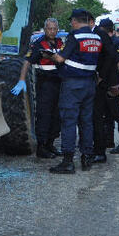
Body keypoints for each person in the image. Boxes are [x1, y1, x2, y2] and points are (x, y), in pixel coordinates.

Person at [43, 9, 102, 174]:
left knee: (69, 121)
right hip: (90, 84)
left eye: (71, 21)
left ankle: (68, 161)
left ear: (75, 21)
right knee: (86, 121)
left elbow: (60, 58)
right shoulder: (96, 38)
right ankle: (86, 158)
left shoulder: (74, 36)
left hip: (73, 85)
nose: (71, 24)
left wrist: (49, 56)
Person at [18, 17, 63, 158]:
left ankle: (50, 144)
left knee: (56, 116)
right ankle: (41, 148)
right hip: (45, 84)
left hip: (59, 83)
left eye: (54, 29)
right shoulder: (39, 44)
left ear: (57, 30)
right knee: (44, 115)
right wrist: (22, 79)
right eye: (49, 28)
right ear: (45, 29)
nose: (52, 31)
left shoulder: (60, 42)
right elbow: (27, 61)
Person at [99, 19, 119, 155]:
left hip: (114, 84)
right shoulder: (105, 42)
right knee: (107, 115)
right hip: (105, 83)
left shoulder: (117, 42)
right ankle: (109, 140)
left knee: (118, 115)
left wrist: (116, 83)